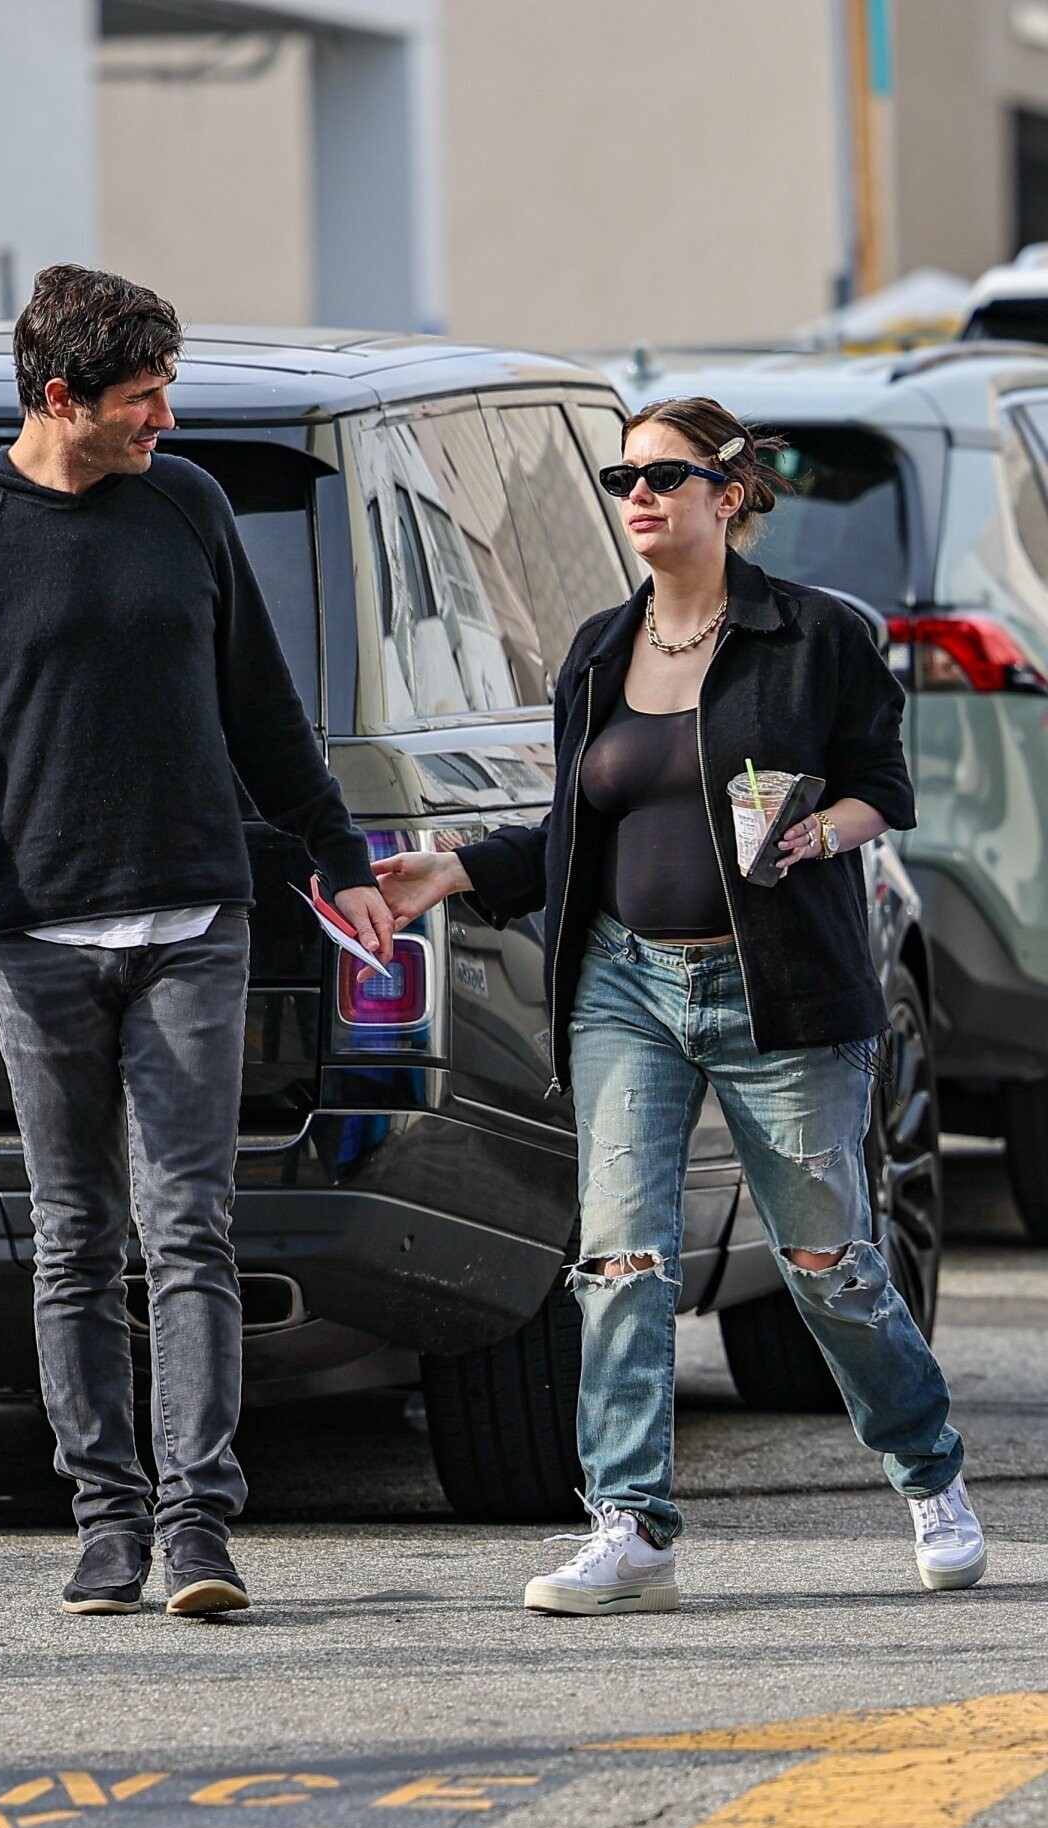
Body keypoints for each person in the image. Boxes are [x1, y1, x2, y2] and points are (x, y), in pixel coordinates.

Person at [0, 265, 392, 1617]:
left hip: (194, 922)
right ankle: (106, 1523)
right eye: (145, 396)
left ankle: (199, 1526)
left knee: (188, 1225)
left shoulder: (186, 508)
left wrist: (340, 860)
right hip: (38, 940)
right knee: (76, 1239)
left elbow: (264, 712)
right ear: (61, 397)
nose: (168, 419)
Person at [372, 395, 986, 1614]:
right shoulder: (600, 650)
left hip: (779, 989)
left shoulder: (814, 635)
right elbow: (575, 830)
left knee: (824, 1263)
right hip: (626, 986)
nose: (637, 497)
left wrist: (821, 830)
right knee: (618, 1259)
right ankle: (630, 1525)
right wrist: (453, 870)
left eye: (661, 476)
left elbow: (881, 785)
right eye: (623, 480)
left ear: (728, 492)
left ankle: (928, 1474)